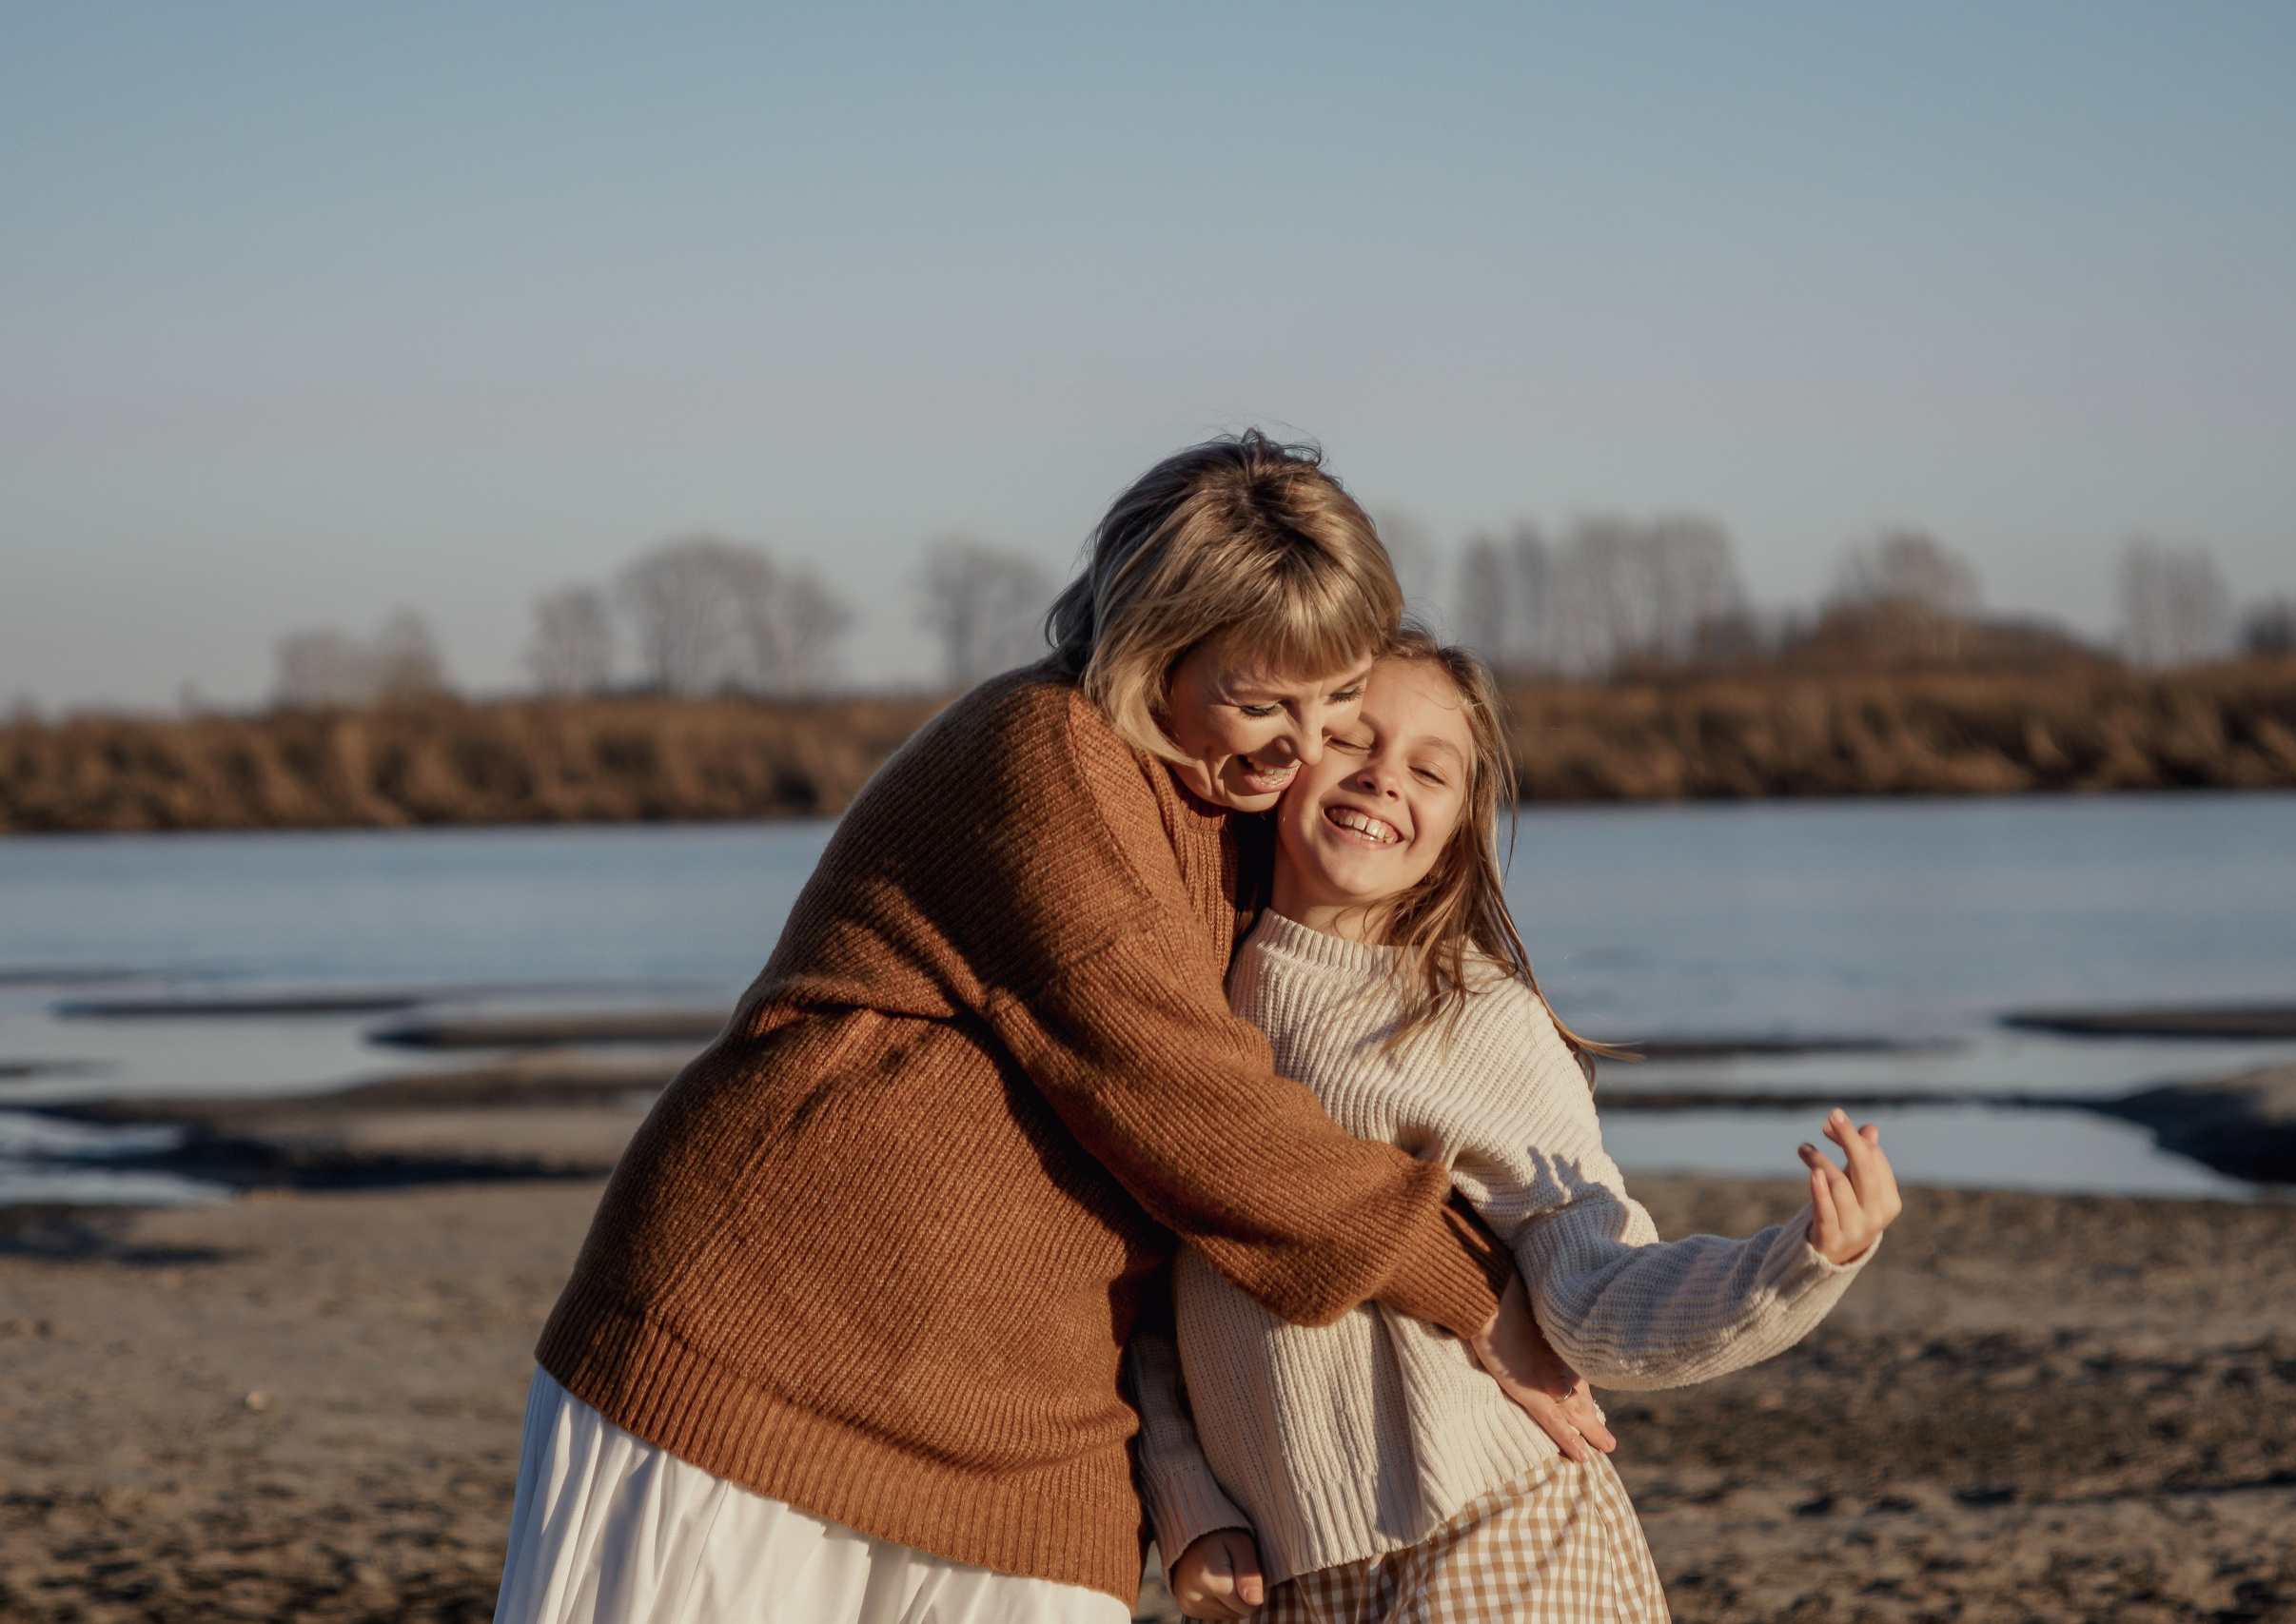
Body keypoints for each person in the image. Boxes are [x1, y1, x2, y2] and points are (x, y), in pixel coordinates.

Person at [491, 434, 1609, 1624]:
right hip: (762, 1348)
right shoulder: (1046, 756)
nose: (1300, 745)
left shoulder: (1243, 819)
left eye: (1335, 697)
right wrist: (1473, 1286)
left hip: (1032, 1419)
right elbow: (1190, 1107)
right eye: (1258, 700)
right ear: (1149, 652)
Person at [1131, 636, 1904, 1623]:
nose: (1381, 778)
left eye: (1427, 768)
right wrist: (1190, 1505)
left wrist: (1794, 1263)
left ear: (1460, 825)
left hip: (1493, 1537)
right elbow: (1141, 1290)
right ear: (1286, 749)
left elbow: (1595, 1281)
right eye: (1354, 740)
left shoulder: (1470, 1016)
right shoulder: (1178, 1003)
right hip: (1289, 1579)